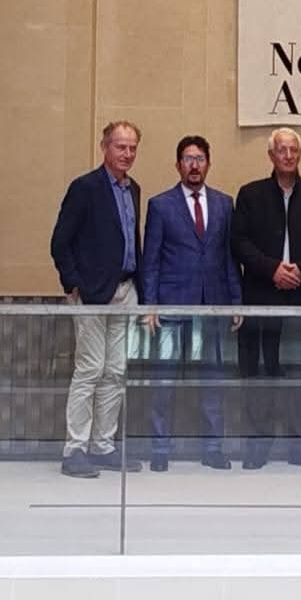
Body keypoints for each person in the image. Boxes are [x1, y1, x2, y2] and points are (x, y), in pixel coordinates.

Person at [49, 121, 146, 478]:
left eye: (132, 147)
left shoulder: (133, 189)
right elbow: (60, 241)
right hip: (91, 293)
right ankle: (74, 449)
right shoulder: (85, 187)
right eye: (121, 146)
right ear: (104, 147)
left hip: (125, 290)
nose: (127, 154)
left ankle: (103, 445)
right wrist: (72, 282)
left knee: (115, 371)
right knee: (90, 368)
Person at [231, 127, 301, 469]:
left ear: (299, 155)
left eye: (293, 150)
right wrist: (272, 269)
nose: (288, 156)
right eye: (282, 150)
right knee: (260, 372)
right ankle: (257, 445)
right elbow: (239, 243)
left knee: (300, 374)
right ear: (271, 155)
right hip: (261, 294)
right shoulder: (250, 194)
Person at [140, 135, 242, 472]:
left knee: (213, 380)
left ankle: (213, 448)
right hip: (171, 306)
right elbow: (151, 260)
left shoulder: (224, 204)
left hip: (213, 304)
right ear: (177, 165)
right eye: (187, 159)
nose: (194, 165)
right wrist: (149, 305)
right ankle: (160, 449)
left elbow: (229, 257)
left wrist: (236, 301)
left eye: (199, 159)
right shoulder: (160, 205)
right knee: (164, 381)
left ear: (208, 164)